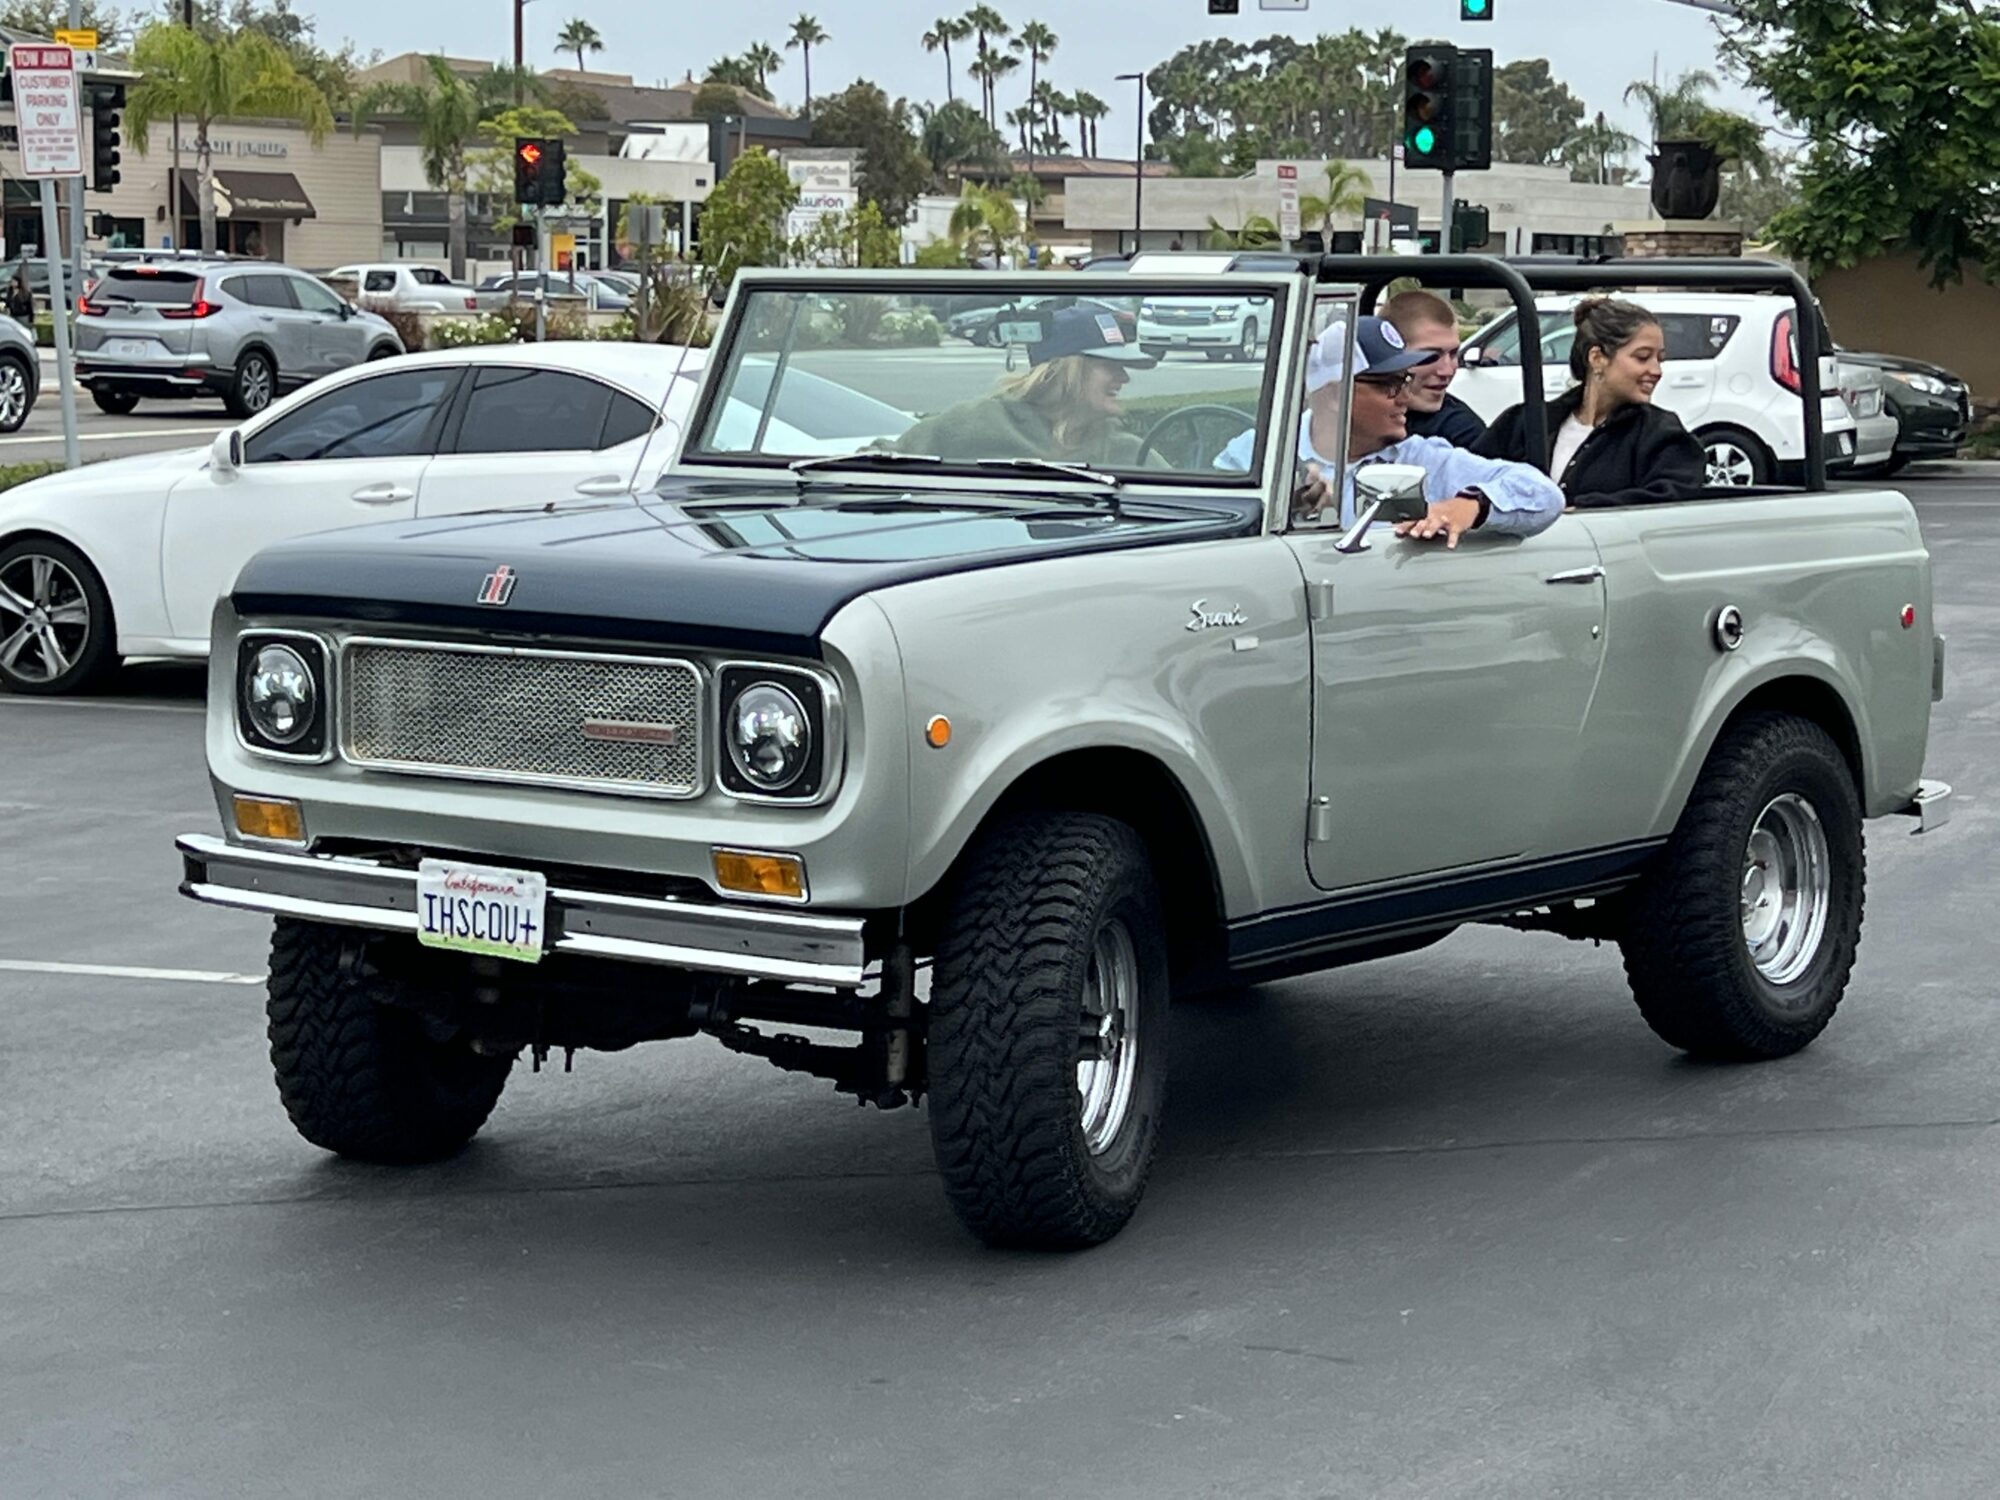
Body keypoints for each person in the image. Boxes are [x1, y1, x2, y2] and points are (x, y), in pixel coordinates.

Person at [1215, 316, 1564, 546]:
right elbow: (1208, 527)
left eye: (1406, 381)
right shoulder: (1258, 453)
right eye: (1389, 385)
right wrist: (1276, 508)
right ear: (1336, 393)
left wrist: (1469, 505)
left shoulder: (1422, 458)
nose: (1405, 397)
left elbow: (1544, 494)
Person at [1475, 297, 1705, 507]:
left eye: (1660, 359)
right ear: (1597, 358)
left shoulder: (1662, 434)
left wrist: (1578, 508)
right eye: (1642, 357)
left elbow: (1674, 499)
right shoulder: (1524, 423)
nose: (1656, 370)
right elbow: (1469, 478)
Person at [895, 305, 1157, 467]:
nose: (1124, 378)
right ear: (1068, 372)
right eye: (1109, 365)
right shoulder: (979, 423)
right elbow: (875, 462)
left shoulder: (1127, 452)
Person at [1382, 289, 1487, 448]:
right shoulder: (1349, 415)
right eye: (1429, 357)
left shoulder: (1462, 432)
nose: (1447, 371)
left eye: (1453, 354)